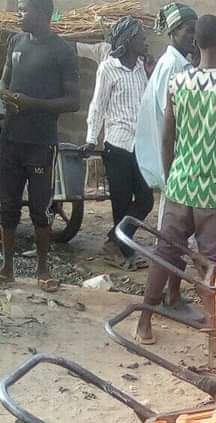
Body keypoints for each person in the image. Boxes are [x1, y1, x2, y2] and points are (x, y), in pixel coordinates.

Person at [135, 14, 216, 344]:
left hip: (181, 185)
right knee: (211, 265)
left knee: (165, 254)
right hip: (212, 190)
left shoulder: (177, 83)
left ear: (195, 43)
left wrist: (172, 178)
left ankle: (144, 323)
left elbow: (167, 138)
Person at [0, 0, 80, 290]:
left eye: (24, 9)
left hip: (40, 143)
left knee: (40, 208)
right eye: (18, 8)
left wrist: (32, 104)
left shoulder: (62, 51)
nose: (19, 14)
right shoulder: (16, 42)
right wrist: (6, 98)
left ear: (43, 13)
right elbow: (4, 82)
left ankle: (43, 270)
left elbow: (73, 101)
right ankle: (7, 268)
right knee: (7, 206)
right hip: (10, 139)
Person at [82, 17, 153, 267]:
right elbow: (98, 105)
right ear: (129, 40)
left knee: (145, 200)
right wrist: (91, 139)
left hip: (139, 146)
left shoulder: (141, 68)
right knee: (121, 203)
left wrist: (150, 74)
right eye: (141, 37)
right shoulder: (108, 68)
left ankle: (114, 241)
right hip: (117, 145)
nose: (145, 42)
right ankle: (123, 252)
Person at [135, 2, 197, 213]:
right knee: (173, 213)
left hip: (173, 155)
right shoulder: (172, 65)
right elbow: (171, 115)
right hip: (173, 154)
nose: (194, 37)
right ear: (174, 31)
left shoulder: (178, 63)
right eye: (190, 31)